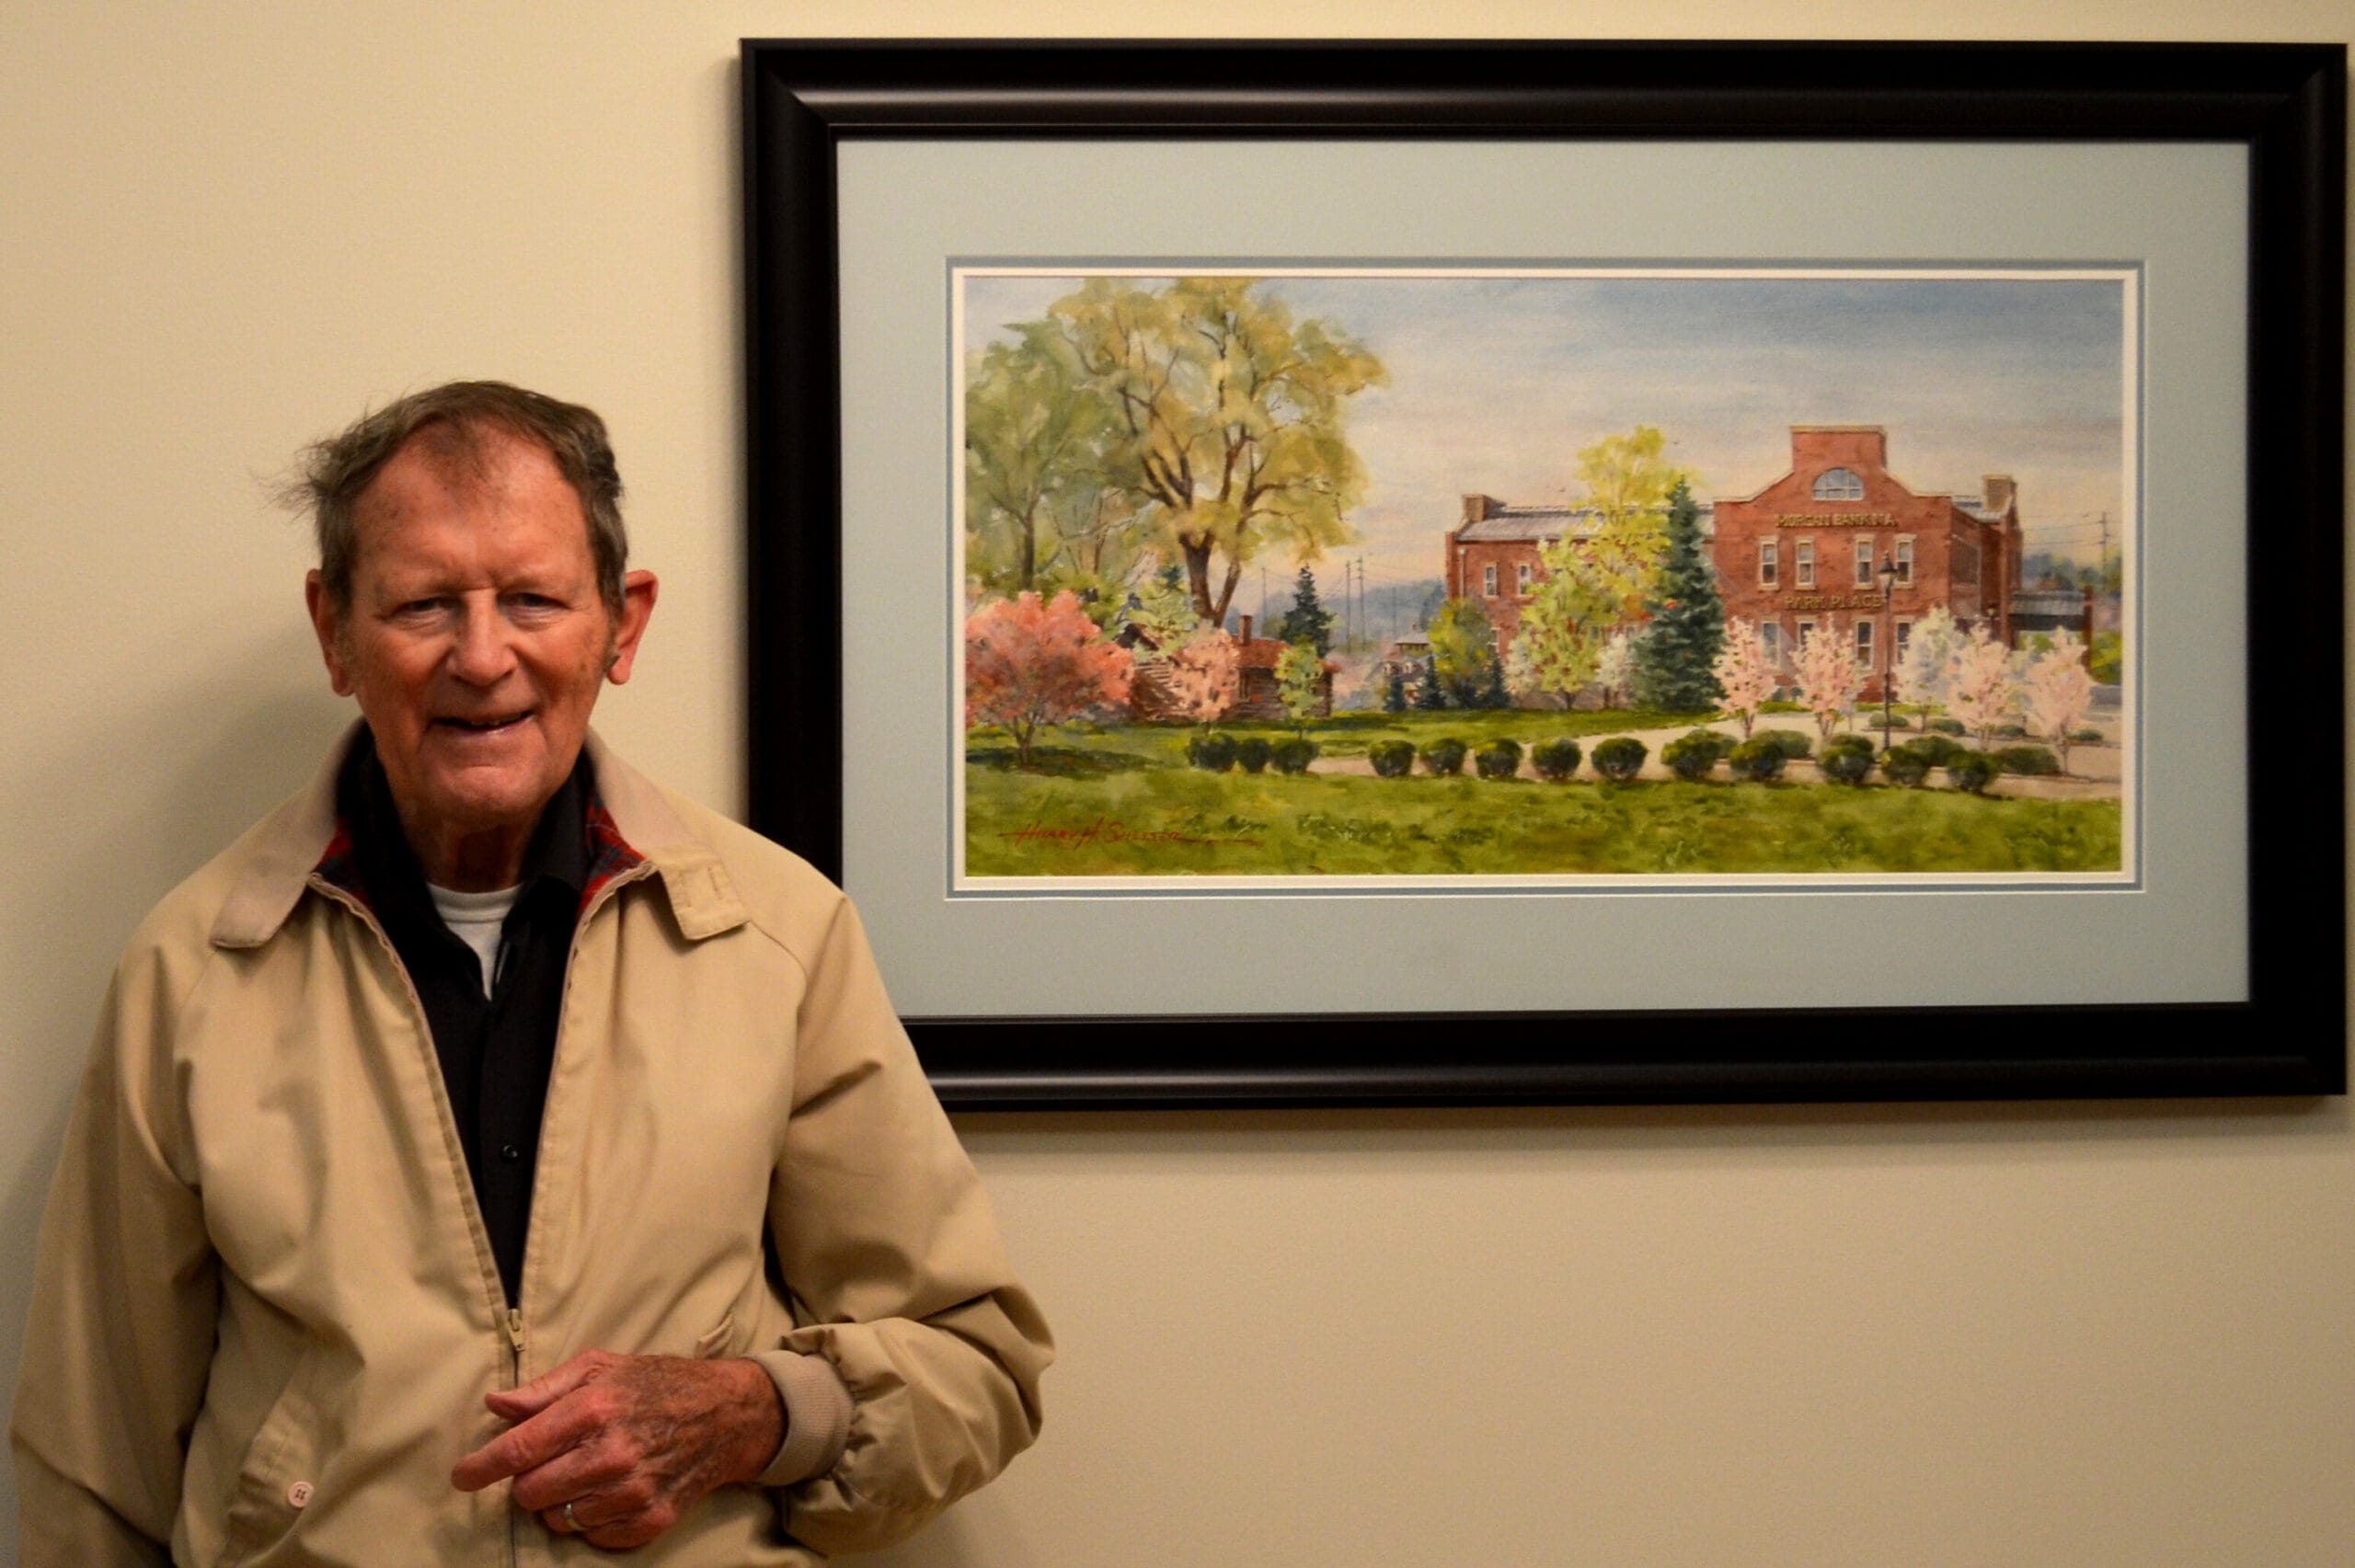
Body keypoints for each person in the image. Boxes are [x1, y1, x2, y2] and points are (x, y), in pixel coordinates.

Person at [10, 382, 1051, 1564]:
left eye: (533, 599)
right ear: (335, 631)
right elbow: (91, 1466)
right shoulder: (191, 972)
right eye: (423, 604)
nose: (482, 656)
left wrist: (755, 1413)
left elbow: (976, 1363)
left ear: (621, 624)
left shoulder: (778, 935)